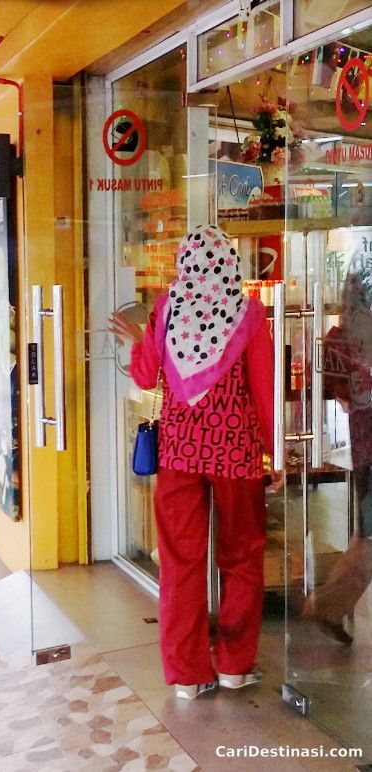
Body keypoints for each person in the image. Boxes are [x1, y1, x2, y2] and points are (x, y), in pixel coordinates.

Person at [108, 224, 274, 700]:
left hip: (180, 452)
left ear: (185, 265)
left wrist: (141, 339)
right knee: (242, 557)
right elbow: (264, 390)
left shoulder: (167, 309)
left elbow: (145, 377)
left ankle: (187, 675)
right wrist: (274, 452)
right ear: (230, 263)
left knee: (181, 562)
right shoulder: (250, 315)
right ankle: (235, 666)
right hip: (237, 451)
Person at [304, 265, 372, 644]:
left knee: (366, 536)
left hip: (364, 446)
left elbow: (320, 374)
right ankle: (327, 605)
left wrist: (344, 395)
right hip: (368, 448)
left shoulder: (341, 338)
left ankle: (328, 605)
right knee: (368, 539)